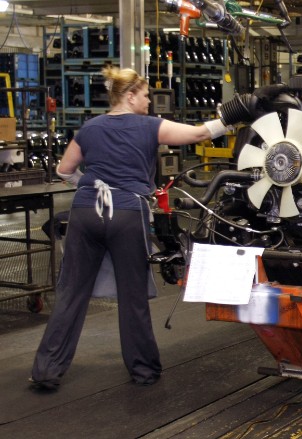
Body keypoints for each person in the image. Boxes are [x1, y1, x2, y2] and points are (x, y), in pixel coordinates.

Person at [29, 66, 229, 391]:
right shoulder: (148, 126)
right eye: (147, 95)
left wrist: (92, 185)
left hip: (84, 211)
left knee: (70, 294)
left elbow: (64, 170)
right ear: (130, 95)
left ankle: (46, 371)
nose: (150, 101)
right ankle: (144, 370)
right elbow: (198, 135)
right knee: (132, 296)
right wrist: (233, 116)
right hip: (125, 213)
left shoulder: (89, 128)